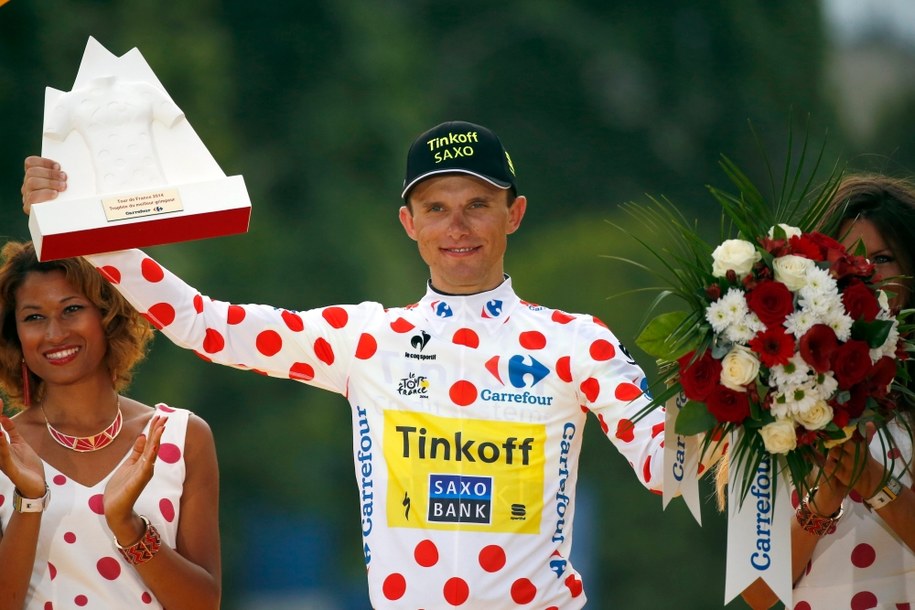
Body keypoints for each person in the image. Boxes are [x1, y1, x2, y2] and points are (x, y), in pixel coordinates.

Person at [21, 120, 666, 609]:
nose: (458, 226)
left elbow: (668, 467)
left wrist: (750, 386)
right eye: (437, 208)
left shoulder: (577, 343)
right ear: (409, 223)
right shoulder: (365, 339)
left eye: (478, 203)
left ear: (514, 213)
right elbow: (203, 324)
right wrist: (79, 224)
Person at [716, 174, 915, 609]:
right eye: (848, 257)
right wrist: (823, 501)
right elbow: (758, 593)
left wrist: (873, 482)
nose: (865, 272)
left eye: (883, 259)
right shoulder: (768, 388)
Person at [0, 241, 221, 609]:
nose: (54, 334)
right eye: (34, 317)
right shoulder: (5, 450)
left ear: (108, 316)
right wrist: (30, 501)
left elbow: (202, 605)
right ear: (16, 337)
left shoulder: (181, 436)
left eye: (71, 309)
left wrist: (127, 525)